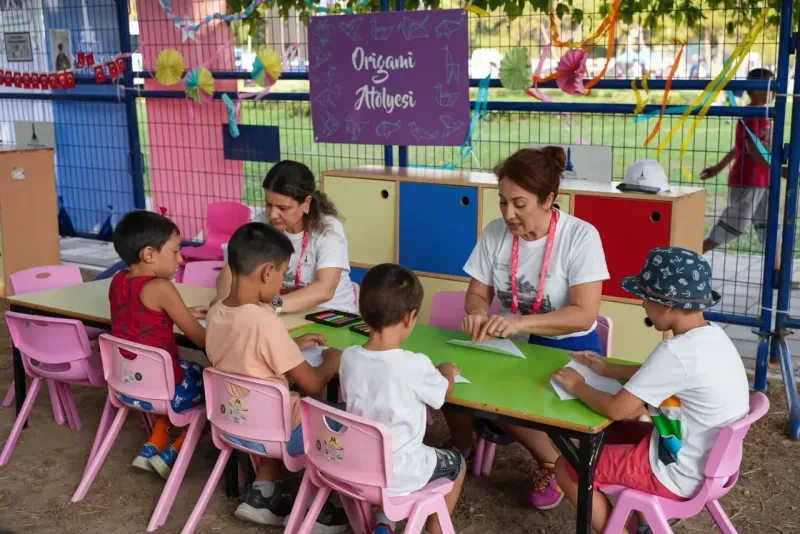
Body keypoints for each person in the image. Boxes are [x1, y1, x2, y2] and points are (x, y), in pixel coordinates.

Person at [444, 146, 610, 510]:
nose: (508, 214)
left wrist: (521, 322)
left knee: (505, 398)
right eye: (502, 202)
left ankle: (552, 463)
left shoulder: (580, 237)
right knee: (447, 377)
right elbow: (476, 294)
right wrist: (475, 312)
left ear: (548, 199)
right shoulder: (494, 233)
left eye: (519, 204)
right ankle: (462, 449)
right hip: (510, 345)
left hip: (570, 348)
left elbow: (584, 314)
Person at [551, 246, 750, 533]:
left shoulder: (676, 351)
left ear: (666, 306)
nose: (642, 306)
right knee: (604, 436)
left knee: (569, 467)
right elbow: (670, 378)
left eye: (645, 299)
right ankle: (641, 525)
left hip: (674, 471)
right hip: (703, 461)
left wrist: (577, 385)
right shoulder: (712, 336)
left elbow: (617, 410)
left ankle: (618, 529)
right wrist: (609, 370)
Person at [205, 222, 348, 533]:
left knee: (271, 401)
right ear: (267, 272)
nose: (282, 285)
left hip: (233, 424)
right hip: (278, 433)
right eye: (283, 276)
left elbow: (244, 357)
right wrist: (332, 361)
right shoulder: (264, 320)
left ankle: (263, 494)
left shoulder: (216, 312)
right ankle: (322, 509)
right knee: (345, 419)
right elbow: (312, 382)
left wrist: (291, 346)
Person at [340, 263, 465, 534]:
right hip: (398, 472)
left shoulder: (348, 357)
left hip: (356, 462)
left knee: (387, 439)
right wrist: (445, 370)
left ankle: (385, 522)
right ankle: (436, 528)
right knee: (458, 464)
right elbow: (444, 393)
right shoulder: (415, 365)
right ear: (410, 318)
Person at [109, 211, 207, 479]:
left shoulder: (118, 280)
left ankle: (154, 442)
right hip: (167, 388)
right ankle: (172, 452)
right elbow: (200, 339)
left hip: (128, 385)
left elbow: (140, 317)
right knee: (212, 384)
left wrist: (181, 311)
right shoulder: (161, 288)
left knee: (184, 369)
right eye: (175, 251)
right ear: (149, 254)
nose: (181, 258)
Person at [216, 160, 356, 314]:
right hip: (283, 313)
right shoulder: (262, 224)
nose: (273, 215)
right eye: (269, 205)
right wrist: (224, 304)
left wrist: (272, 307)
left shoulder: (328, 230)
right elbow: (232, 270)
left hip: (330, 316)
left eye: (283, 208)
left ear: (306, 202)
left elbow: (325, 289)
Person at [701, 68, 774, 254]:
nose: (775, 92)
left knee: (771, 227)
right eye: (771, 87)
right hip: (748, 179)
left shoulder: (766, 113)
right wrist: (777, 168)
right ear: (757, 90)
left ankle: (779, 273)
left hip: (764, 181)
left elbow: (739, 147)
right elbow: (751, 148)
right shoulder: (751, 113)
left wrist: (718, 167)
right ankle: (691, 255)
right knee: (734, 226)